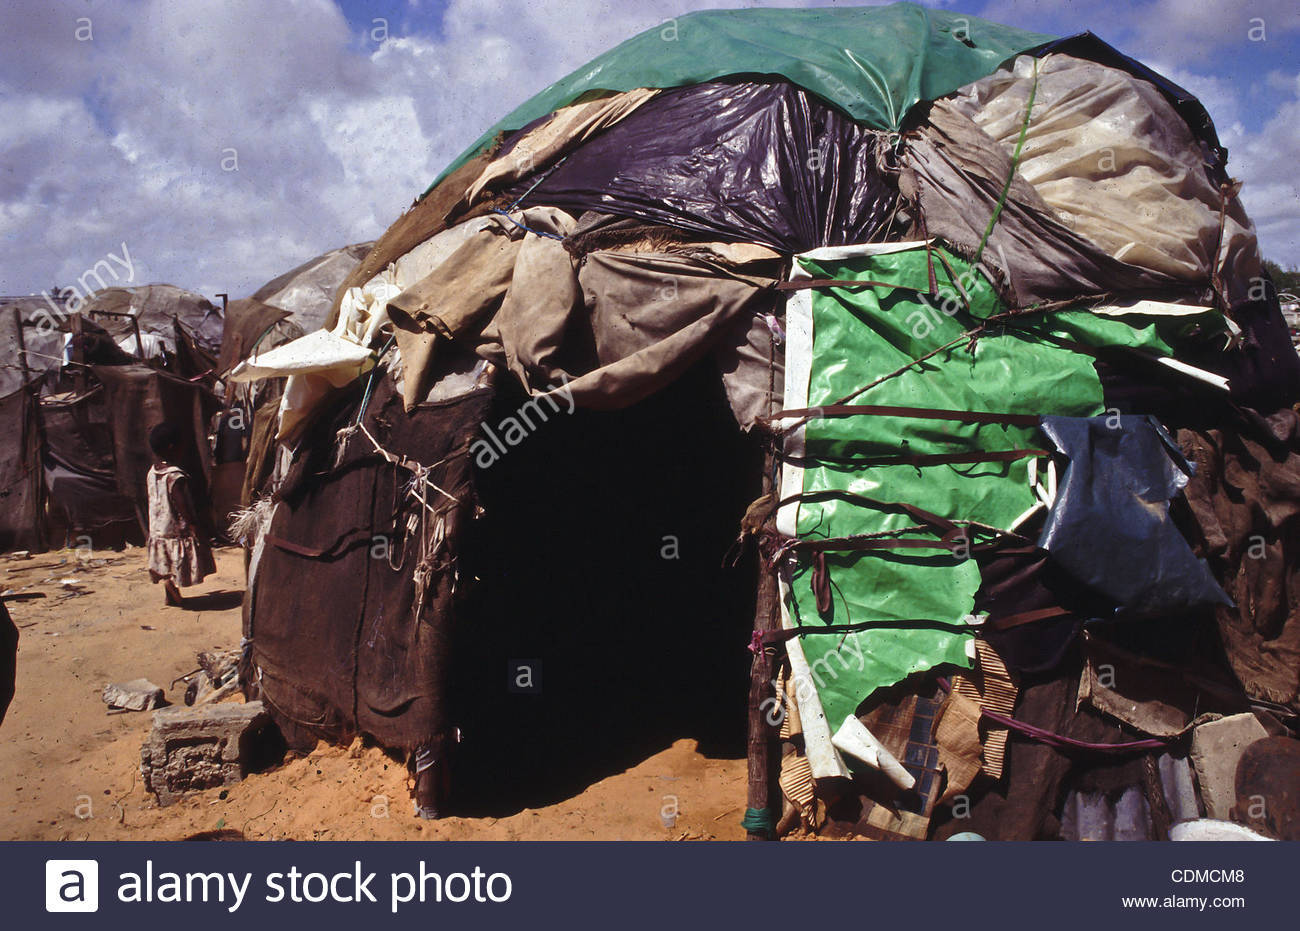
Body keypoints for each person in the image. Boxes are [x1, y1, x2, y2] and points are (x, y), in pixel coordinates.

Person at [146, 422, 215, 606]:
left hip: (159, 529)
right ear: (172, 448)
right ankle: (172, 585)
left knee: (167, 560)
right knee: (179, 560)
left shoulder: (152, 472)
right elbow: (184, 505)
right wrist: (194, 525)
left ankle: (170, 592)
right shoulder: (175, 476)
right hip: (176, 529)